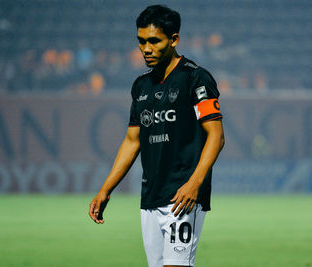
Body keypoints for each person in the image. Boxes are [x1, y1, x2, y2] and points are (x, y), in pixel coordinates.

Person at [88, 5, 225, 267]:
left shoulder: (196, 79)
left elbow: (216, 137)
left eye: (154, 41)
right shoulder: (141, 86)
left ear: (174, 40)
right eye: (141, 41)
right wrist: (105, 190)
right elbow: (132, 141)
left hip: (183, 198)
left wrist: (194, 184)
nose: (146, 49)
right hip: (150, 197)